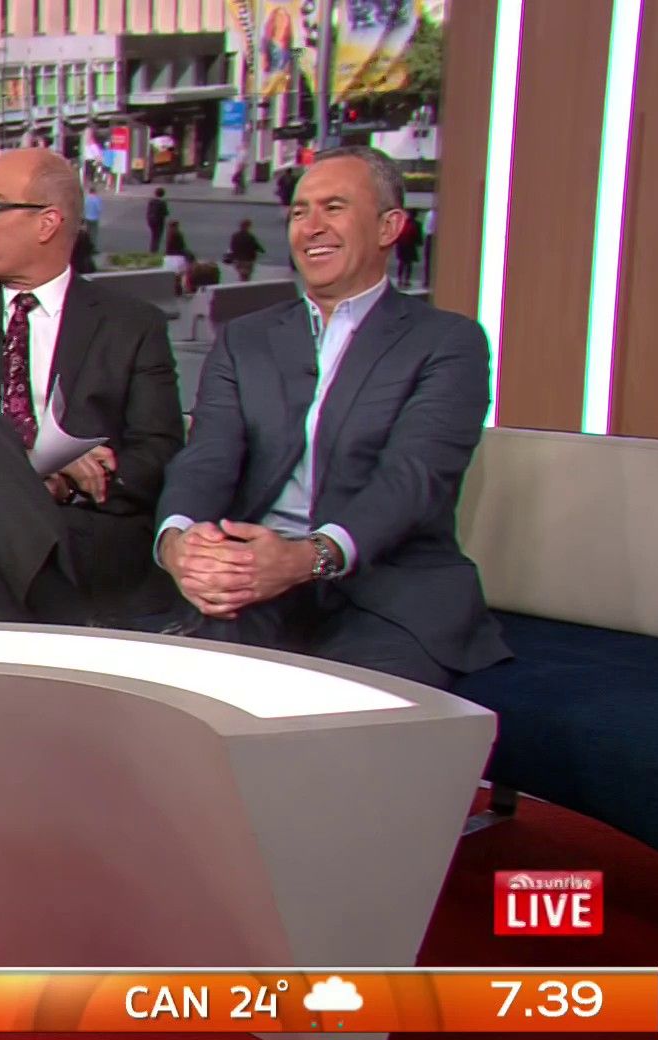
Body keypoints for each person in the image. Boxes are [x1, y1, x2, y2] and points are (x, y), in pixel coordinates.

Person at [153, 146, 511, 689]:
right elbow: (207, 457)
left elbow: (413, 479)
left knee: (347, 709)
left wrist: (305, 558)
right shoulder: (247, 340)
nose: (311, 226)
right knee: (186, 695)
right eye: (300, 211)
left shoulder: (447, 343)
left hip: (386, 592)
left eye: (334, 208)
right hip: (252, 582)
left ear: (390, 226)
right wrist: (179, 542)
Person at [0, 148, 187, 627]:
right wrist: (23, 461)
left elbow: (159, 453)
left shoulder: (132, 325)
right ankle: (64, 615)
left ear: (47, 223)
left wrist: (66, 481)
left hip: (80, 528)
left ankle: (33, 631)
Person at [394, 208, 421, 289]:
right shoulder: (416, 224)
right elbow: (418, 237)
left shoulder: (402, 222)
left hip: (401, 245)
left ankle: (399, 280)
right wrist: (419, 243)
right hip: (410, 246)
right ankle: (407, 280)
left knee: (401, 263)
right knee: (409, 264)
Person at [146, 186, 169, 252]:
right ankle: (154, 250)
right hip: (159, 222)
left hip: (151, 221)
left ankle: (152, 249)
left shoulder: (151, 201)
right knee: (157, 237)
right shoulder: (162, 203)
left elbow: (148, 211)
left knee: (153, 235)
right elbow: (165, 213)